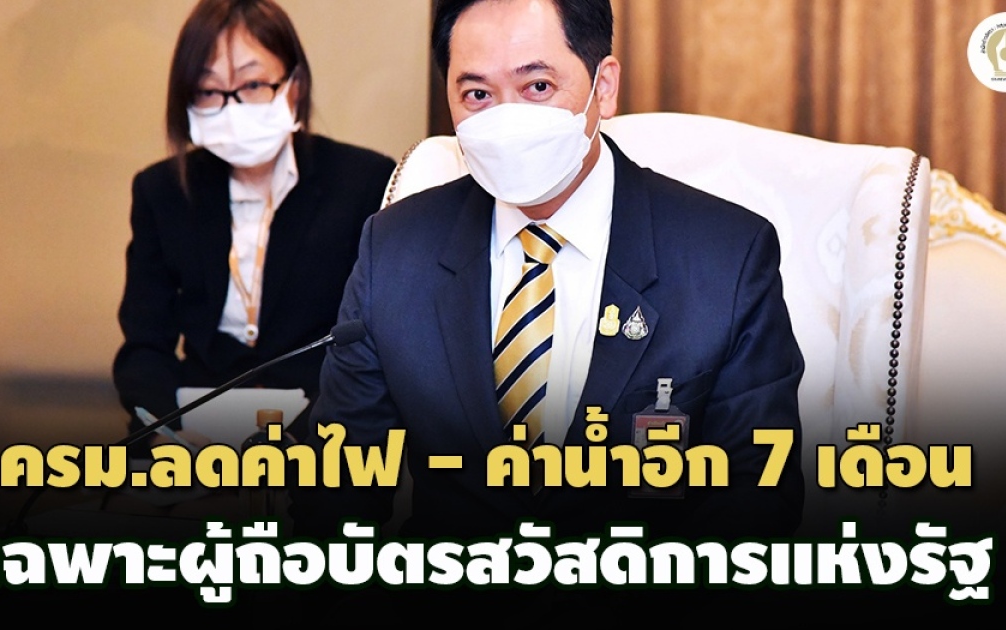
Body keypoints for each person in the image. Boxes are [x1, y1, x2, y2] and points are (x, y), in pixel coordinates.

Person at [290, 0, 804, 542]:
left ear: (604, 88)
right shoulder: (396, 250)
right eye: (478, 95)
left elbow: (757, 501)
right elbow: (336, 490)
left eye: (537, 86)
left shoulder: (725, 257)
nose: (506, 120)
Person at [112, 0, 396, 451]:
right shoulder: (161, 191)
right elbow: (145, 345)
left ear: (294, 87)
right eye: (209, 91)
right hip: (195, 428)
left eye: (253, 84)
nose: (232, 107)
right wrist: (168, 433)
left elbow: (375, 344)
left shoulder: (363, 181)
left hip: (320, 431)